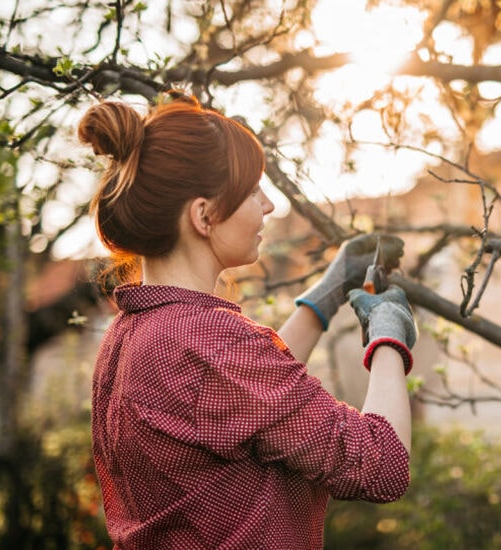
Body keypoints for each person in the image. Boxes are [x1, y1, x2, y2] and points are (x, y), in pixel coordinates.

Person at [78, 92, 418, 549]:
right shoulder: (208, 342)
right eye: (253, 191)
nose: (269, 205)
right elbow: (380, 465)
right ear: (204, 215)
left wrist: (327, 294)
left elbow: (246, 402)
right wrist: (389, 335)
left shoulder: (131, 334)